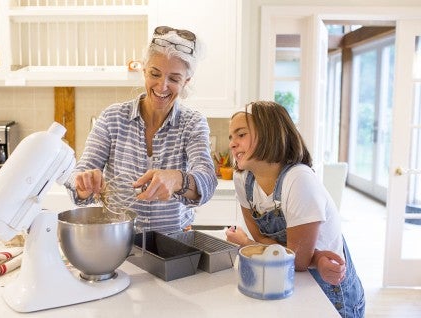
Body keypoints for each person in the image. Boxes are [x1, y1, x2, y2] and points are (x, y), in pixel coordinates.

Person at [65, 26, 217, 234]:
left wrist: (176, 179)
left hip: (172, 245)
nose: (162, 86)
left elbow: (207, 180)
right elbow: (77, 175)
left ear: (186, 82)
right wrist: (83, 184)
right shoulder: (113, 118)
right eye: (155, 74)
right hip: (118, 242)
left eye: (174, 79)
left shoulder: (192, 123)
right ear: (144, 70)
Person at [225, 101, 365, 318]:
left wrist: (247, 244)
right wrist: (309, 256)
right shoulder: (243, 179)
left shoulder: (299, 179)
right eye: (231, 137)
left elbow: (295, 261)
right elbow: (272, 246)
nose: (233, 144)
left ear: (269, 133)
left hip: (329, 291)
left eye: (241, 135)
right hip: (287, 279)